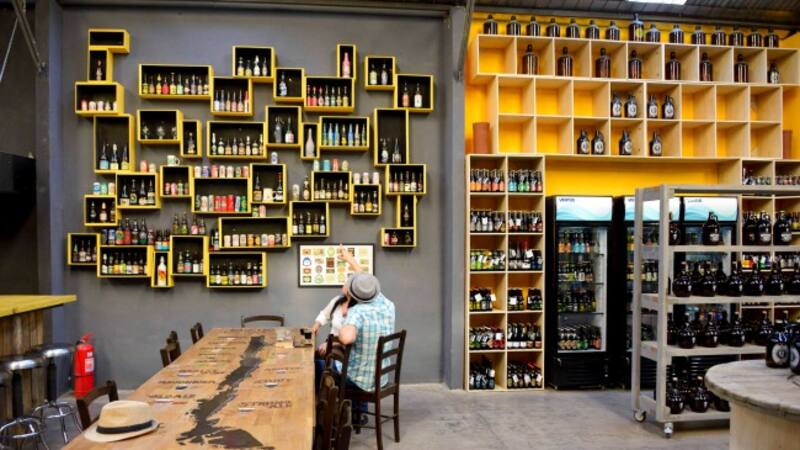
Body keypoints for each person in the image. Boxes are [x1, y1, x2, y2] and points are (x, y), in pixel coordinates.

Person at [338, 262, 395, 424]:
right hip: (381, 378)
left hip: (361, 380)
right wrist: (350, 260)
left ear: (352, 293)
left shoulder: (357, 312)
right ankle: (358, 413)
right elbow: (366, 282)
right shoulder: (388, 305)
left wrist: (343, 324)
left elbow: (346, 338)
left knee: (322, 367)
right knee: (354, 362)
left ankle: (332, 417)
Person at [311, 245, 363, 388]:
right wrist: (316, 325)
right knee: (312, 358)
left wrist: (331, 344)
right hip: (331, 346)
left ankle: (328, 389)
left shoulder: (359, 309)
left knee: (319, 363)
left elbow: (352, 338)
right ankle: (323, 390)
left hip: (347, 350)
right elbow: (324, 314)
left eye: (348, 282)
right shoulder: (337, 301)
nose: (344, 283)